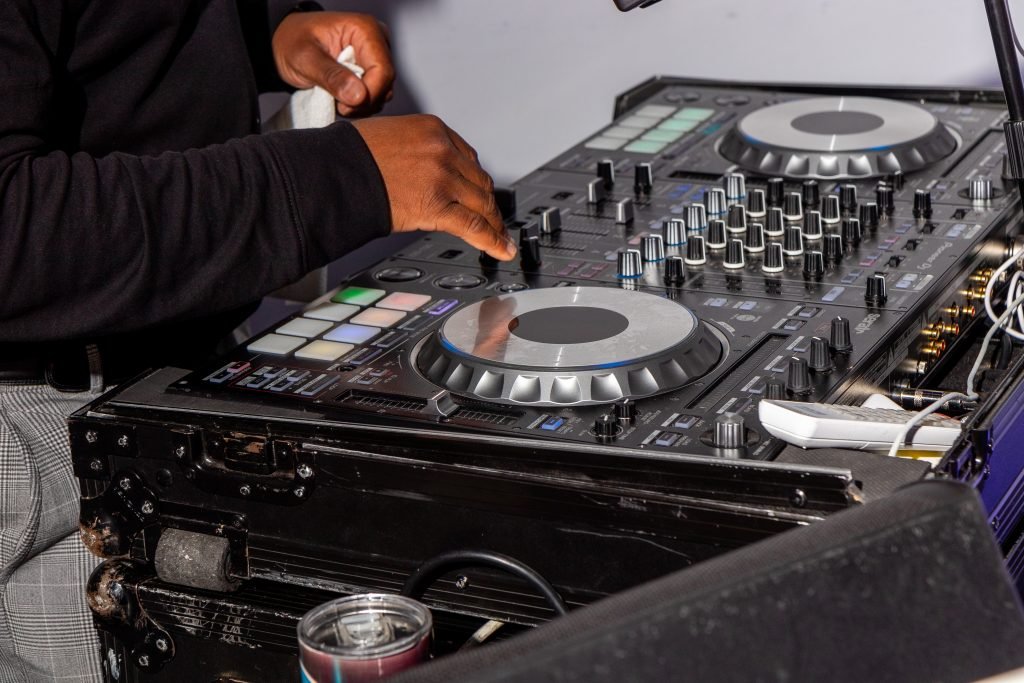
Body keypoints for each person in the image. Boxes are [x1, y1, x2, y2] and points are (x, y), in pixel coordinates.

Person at [0, 1, 515, 680]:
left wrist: (254, 28)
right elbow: (14, 240)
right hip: (45, 433)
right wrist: (333, 181)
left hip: (172, 359)